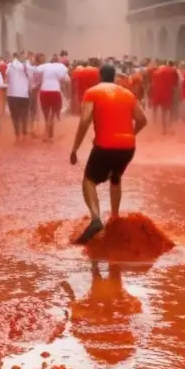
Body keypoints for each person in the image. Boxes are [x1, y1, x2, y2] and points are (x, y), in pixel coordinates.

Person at [69, 63, 147, 244]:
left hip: (105, 145)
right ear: (114, 77)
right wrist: (131, 135)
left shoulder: (92, 92)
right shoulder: (128, 94)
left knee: (89, 180)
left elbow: (85, 119)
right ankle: (114, 217)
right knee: (115, 178)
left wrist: (75, 148)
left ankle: (96, 219)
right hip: (128, 147)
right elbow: (142, 119)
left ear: (99, 76)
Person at [35, 55, 70, 141]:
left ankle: (47, 132)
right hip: (55, 91)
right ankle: (50, 134)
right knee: (53, 115)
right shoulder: (60, 67)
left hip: (44, 90)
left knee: (46, 114)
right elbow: (66, 79)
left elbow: (36, 71)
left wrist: (39, 80)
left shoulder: (45, 66)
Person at [5, 52, 31, 140]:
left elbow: (7, 76)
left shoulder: (10, 66)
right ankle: (24, 130)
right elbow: (31, 77)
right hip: (23, 94)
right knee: (24, 115)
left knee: (15, 116)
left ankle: (17, 132)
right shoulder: (28, 66)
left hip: (12, 94)